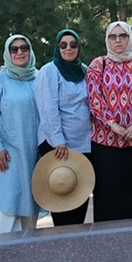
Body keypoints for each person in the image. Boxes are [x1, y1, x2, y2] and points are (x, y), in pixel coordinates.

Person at [87, 22, 132, 221]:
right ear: (107, 39)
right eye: (113, 36)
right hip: (105, 142)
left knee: (131, 195)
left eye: (123, 36)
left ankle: (131, 241)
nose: (118, 40)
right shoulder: (98, 65)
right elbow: (94, 98)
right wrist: (112, 124)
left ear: (130, 38)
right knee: (107, 194)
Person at [0, 35, 45, 233]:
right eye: (14, 49)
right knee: (8, 202)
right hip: (9, 155)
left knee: (31, 204)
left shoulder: (40, 77)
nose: (20, 52)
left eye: (24, 48)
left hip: (36, 153)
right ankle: (2, 254)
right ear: (7, 53)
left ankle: (27, 254)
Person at [34, 28, 92, 226]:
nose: (68, 49)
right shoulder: (49, 71)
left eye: (73, 45)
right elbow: (48, 109)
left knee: (80, 196)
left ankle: (77, 246)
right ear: (57, 47)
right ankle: (63, 246)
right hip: (58, 145)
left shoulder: (84, 70)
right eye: (63, 45)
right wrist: (58, 140)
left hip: (82, 144)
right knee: (62, 195)